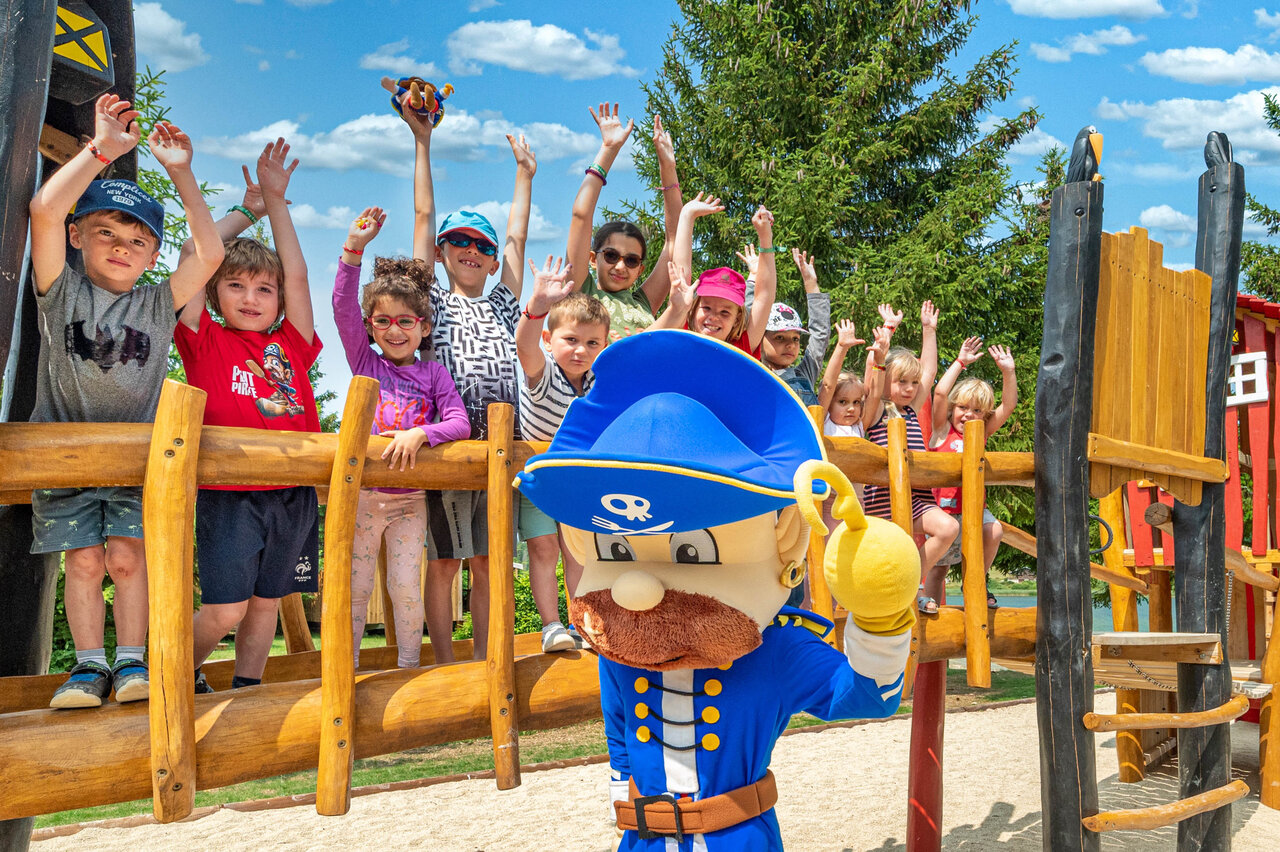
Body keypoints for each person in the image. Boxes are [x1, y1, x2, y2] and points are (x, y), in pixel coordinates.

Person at [515, 330, 919, 850]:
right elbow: (617, 727)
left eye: (690, 552)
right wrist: (622, 792)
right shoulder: (623, 646)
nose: (636, 591)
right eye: (616, 551)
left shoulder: (775, 650)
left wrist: (879, 618)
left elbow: (868, 697)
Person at [28, 94, 225, 709]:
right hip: (66, 456)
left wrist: (181, 172)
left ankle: (133, 662)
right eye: (106, 232)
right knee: (84, 564)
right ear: (78, 236)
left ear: (153, 256)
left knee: (128, 559)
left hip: (139, 461)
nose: (121, 246)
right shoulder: (60, 292)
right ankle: (88, 669)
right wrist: (102, 149)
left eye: (138, 241)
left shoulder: (155, 305)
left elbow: (210, 253)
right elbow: (43, 207)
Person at [174, 138, 322, 693]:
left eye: (264, 288)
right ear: (215, 294)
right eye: (235, 286)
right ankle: (174, 674)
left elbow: (298, 274)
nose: (252, 297)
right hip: (229, 494)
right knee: (226, 609)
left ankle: (247, 691)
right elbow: (196, 259)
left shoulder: (293, 340)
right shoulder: (202, 338)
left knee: (267, 604)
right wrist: (246, 212)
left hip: (292, 491)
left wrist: (278, 203)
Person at [403, 82, 536, 662]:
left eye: (479, 244)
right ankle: (443, 662)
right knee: (444, 560)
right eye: (457, 241)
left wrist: (524, 176)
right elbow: (423, 213)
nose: (472, 250)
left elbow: (517, 237)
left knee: (488, 560)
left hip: (499, 447)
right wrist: (423, 142)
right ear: (440, 252)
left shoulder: (506, 300)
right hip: (446, 442)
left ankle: (485, 661)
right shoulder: (428, 295)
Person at [333, 207, 470, 669]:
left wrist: (419, 433)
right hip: (364, 498)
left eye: (405, 321)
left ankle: (408, 670)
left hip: (411, 500)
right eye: (384, 321)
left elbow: (459, 423)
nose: (394, 330)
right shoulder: (365, 364)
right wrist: (354, 251)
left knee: (405, 589)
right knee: (354, 589)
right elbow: (341, 309)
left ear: (423, 327)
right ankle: (344, 671)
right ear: (371, 328)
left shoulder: (433, 374)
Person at [515, 256, 610, 651]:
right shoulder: (544, 373)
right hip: (539, 480)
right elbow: (523, 345)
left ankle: (582, 622)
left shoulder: (596, 381)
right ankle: (552, 625)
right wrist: (537, 305)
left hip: (574, 484)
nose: (580, 350)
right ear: (549, 339)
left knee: (577, 554)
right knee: (543, 548)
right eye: (571, 340)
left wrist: (675, 308)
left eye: (592, 343)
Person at [861, 301, 958, 615]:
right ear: (887, 377)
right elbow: (871, 385)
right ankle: (888, 593)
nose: (909, 388)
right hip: (884, 499)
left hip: (918, 496)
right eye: (901, 381)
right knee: (885, 559)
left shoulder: (911, 411)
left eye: (912, 384)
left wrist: (929, 330)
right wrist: (885, 336)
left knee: (947, 529)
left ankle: (912, 581)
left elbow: (928, 371)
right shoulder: (876, 410)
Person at [565, 103, 681, 341]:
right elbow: (581, 217)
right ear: (592, 259)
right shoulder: (580, 291)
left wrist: (668, 167)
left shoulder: (643, 303)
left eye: (631, 260)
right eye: (610, 255)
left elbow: (675, 241)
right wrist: (608, 149)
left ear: (640, 269)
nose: (620, 266)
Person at [929, 339, 1018, 607]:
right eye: (963, 408)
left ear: (985, 415)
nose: (968, 415)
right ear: (953, 409)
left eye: (977, 410)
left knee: (994, 530)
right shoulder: (942, 430)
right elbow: (940, 394)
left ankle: (977, 583)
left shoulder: (980, 435)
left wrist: (1008, 372)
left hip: (973, 509)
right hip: (941, 512)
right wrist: (959, 363)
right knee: (939, 568)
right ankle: (926, 602)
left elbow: (1008, 406)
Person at [649, 196, 776, 357]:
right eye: (706, 308)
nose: (714, 317)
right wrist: (687, 215)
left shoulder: (741, 347)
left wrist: (765, 238)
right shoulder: (681, 331)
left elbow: (764, 297)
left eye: (725, 313)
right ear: (693, 309)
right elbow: (681, 272)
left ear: (736, 320)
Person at [756, 249, 830, 406]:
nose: (790, 345)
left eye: (796, 338)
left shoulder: (803, 375)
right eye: (780, 337)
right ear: (760, 337)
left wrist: (811, 285)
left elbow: (820, 335)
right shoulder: (755, 370)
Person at [818, 319, 869, 439]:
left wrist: (879, 358)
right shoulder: (824, 422)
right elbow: (828, 386)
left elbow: (875, 394)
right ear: (829, 403)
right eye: (842, 402)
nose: (851, 409)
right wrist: (842, 347)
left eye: (856, 402)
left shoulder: (859, 427)